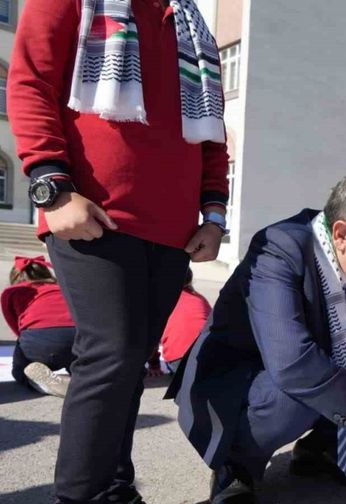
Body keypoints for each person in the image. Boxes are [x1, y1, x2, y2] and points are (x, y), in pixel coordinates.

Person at [8, 1, 230, 502]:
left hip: (173, 231)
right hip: (92, 213)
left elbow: (212, 133)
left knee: (130, 362)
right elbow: (32, 80)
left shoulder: (190, 23)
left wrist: (214, 214)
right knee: (111, 353)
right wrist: (51, 185)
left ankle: (113, 487)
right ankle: (81, 495)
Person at [169, 168, 346, 504]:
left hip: (313, 364)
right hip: (239, 383)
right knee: (298, 389)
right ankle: (236, 465)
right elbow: (292, 364)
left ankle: (323, 452)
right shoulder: (279, 248)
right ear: (341, 234)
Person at [1, 256, 75, 397]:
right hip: (79, 339)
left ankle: (40, 381)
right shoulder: (61, 288)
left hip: (40, 341)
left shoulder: (15, 291)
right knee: (78, 362)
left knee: (20, 370)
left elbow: (15, 325)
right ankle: (79, 376)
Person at [157, 268, 212, 374]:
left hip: (179, 357)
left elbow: (152, 336)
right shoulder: (199, 298)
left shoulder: (162, 299)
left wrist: (154, 364)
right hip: (208, 351)